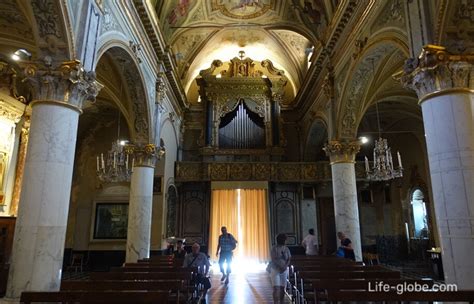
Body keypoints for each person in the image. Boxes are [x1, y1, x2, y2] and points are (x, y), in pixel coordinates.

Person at [270, 233, 291, 304]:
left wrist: (285, 266)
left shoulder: (286, 248)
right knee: (276, 288)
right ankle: (275, 302)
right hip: (275, 270)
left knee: (282, 288)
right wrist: (280, 267)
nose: (286, 241)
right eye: (285, 239)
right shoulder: (274, 248)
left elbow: (289, 258)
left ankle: (281, 302)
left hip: (284, 270)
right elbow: (273, 259)